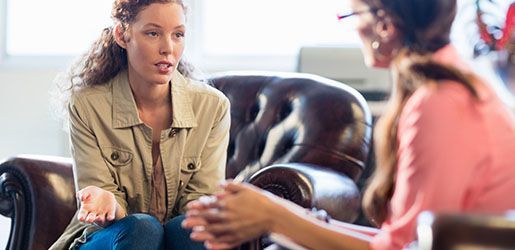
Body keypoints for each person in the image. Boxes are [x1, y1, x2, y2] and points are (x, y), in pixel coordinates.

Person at [182, 0, 515, 249]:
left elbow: (407, 248)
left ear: (384, 24)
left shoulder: (439, 103)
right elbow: (401, 239)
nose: (353, 27)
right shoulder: (454, 84)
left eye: (353, 15)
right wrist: (295, 220)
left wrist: (274, 216)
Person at [50, 0, 230, 249]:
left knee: (191, 230)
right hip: (108, 236)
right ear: (122, 36)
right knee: (143, 228)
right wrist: (108, 204)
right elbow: (99, 191)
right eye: (153, 33)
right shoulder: (86, 105)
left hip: (178, 238)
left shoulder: (213, 107)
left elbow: (201, 201)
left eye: (178, 34)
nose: (168, 48)